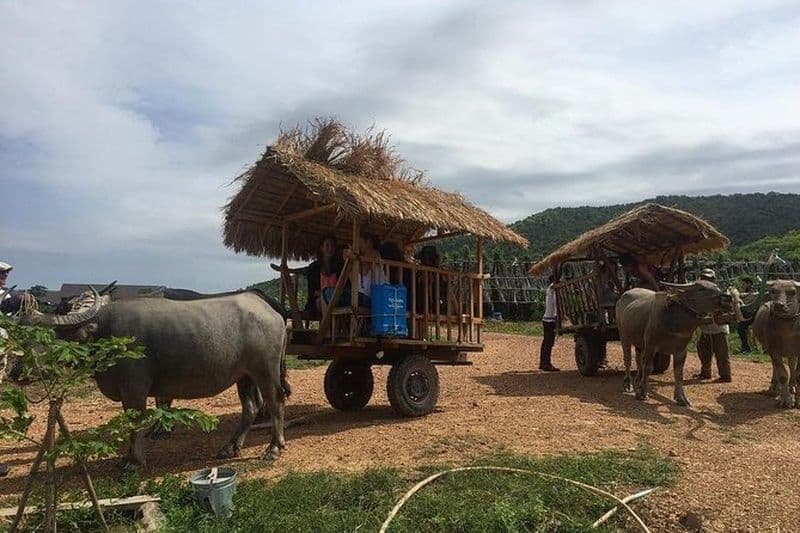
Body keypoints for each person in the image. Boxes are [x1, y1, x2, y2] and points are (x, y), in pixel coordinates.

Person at [695, 268, 732, 382]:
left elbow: (727, 308)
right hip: (706, 329)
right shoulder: (698, 294)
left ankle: (725, 375)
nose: (706, 281)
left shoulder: (720, 292)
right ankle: (705, 372)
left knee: (722, 354)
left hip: (718, 329)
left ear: (714, 280)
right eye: (704, 278)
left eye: (709, 279)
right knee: (702, 351)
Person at [307, 235, 342, 316]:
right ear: (321, 248)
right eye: (327, 245)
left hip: (336, 300)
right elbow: (313, 292)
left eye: (332, 246)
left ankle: (332, 327)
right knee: (322, 301)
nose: (330, 249)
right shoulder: (314, 268)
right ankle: (326, 327)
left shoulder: (338, 267)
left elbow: (344, 287)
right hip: (318, 302)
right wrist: (326, 295)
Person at [539, 275, 560, 372]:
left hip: (546, 319)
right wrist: (557, 317)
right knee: (548, 343)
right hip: (550, 320)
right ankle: (546, 364)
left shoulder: (549, 289)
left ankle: (543, 363)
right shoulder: (553, 289)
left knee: (546, 342)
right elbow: (556, 303)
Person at [730, 276, 756, 354]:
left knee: (741, 328)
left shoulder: (753, 291)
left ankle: (746, 348)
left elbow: (749, 296)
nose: (742, 285)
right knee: (741, 328)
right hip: (747, 313)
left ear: (749, 284)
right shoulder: (743, 292)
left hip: (753, 313)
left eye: (744, 284)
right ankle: (746, 347)